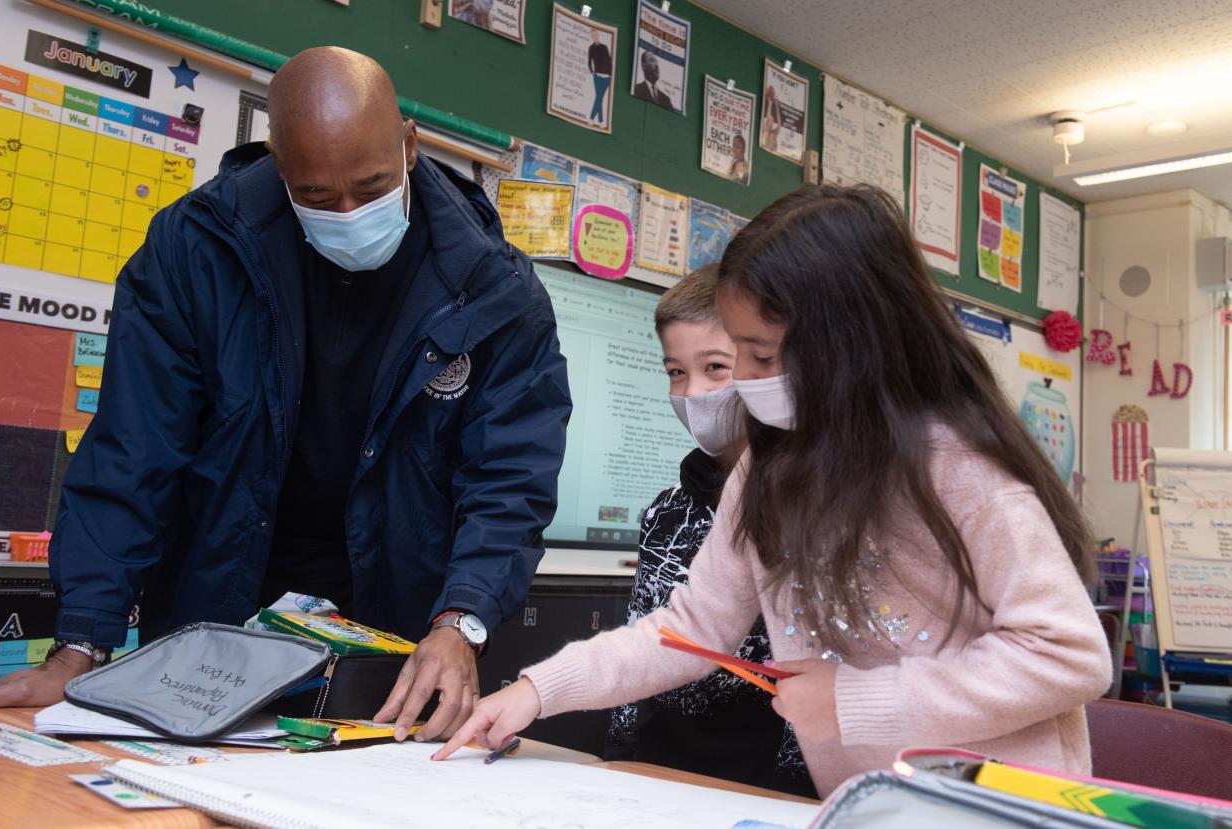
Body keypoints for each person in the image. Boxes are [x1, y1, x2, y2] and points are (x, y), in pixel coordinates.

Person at [436, 184, 1112, 797]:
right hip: (871, 804)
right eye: (743, 350)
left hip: (1002, 808)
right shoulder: (770, 466)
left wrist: (855, 702)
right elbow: (688, 628)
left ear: (851, 343)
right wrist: (537, 689)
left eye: (763, 355)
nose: (748, 380)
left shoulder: (956, 465)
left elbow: (1069, 654)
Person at [0, 48, 572, 746]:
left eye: (373, 185)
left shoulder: (495, 290)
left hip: (396, 644)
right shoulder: (195, 251)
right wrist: (80, 644)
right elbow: (133, 450)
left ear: (411, 147)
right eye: (320, 198)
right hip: (214, 629)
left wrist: (461, 623)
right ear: (278, 164)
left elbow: (508, 481)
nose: (350, 212)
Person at [603, 266, 813, 796]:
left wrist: (795, 791)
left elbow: (814, 666)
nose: (692, 392)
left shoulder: (811, 509)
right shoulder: (667, 510)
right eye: (676, 372)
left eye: (714, 368)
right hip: (660, 772)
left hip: (768, 785)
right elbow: (644, 631)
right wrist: (620, 754)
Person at [588, 28, 613, 126]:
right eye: (593, 35)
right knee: (599, 98)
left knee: (599, 98)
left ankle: (597, 120)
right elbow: (589, 60)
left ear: (598, 35)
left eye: (596, 35)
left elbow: (609, 61)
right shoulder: (591, 48)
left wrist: (610, 75)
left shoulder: (604, 47)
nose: (595, 37)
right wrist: (592, 71)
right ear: (591, 36)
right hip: (597, 75)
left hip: (607, 76)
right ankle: (598, 120)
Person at [760, 85, 781, 153]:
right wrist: (775, 105)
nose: (773, 141)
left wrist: (771, 104)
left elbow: (770, 119)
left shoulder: (765, 134)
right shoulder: (771, 133)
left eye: (771, 143)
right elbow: (779, 123)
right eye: (774, 143)